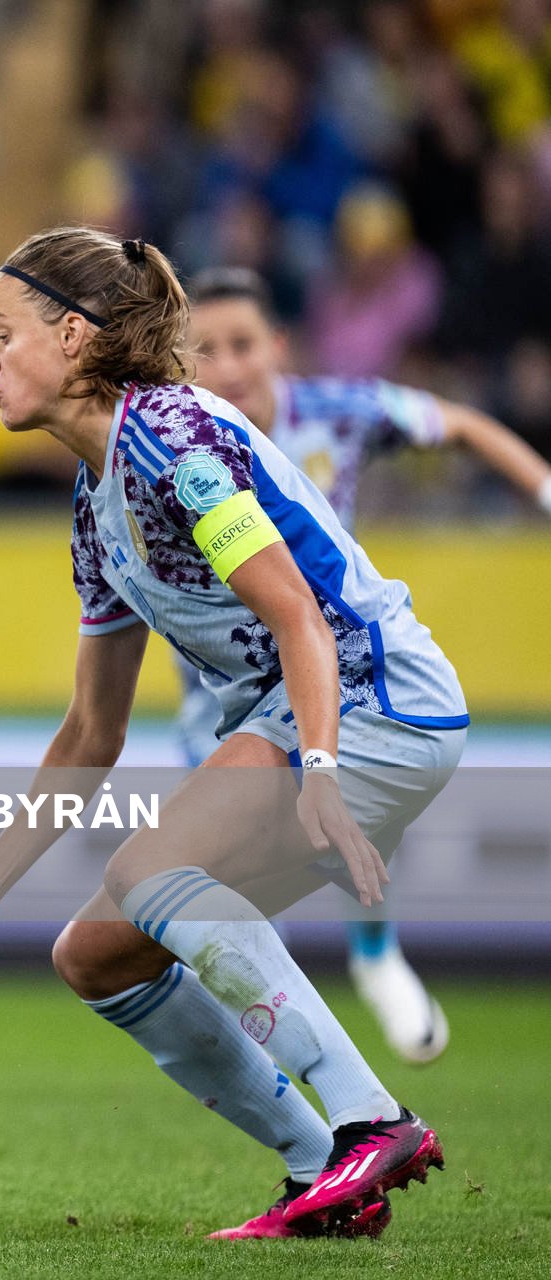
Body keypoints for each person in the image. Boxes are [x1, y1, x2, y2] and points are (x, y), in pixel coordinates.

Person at [0, 227, 461, 1241]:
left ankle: (369, 1119)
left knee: (155, 870)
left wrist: (321, 773)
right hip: (299, 713)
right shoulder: (96, 503)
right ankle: (322, 1175)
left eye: (1, 333)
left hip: (372, 692)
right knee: (97, 951)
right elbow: (92, 730)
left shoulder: (172, 438)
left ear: (75, 336)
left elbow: (299, 613)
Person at [188, 264, 551, 1065]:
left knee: (339, 817)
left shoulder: (340, 413)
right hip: (218, 690)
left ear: (278, 346)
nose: (228, 366)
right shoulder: (178, 444)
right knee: (224, 876)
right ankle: (283, 1042)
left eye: (243, 343)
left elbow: (460, 424)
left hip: (327, 660)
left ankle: (376, 954)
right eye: (204, 351)